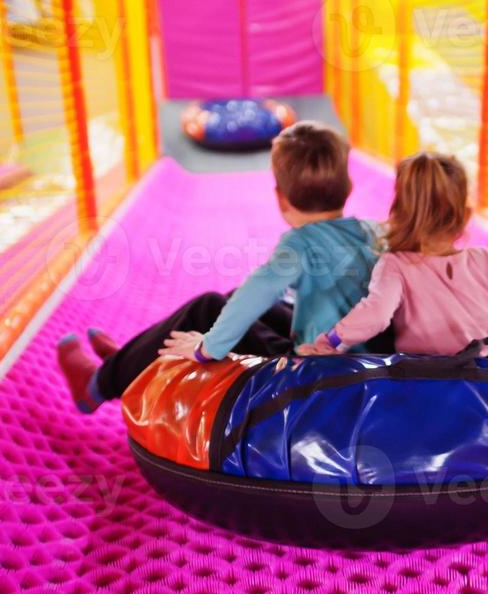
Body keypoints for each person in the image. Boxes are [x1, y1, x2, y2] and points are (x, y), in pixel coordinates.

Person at [56, 122, 380, 412]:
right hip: (351, 352)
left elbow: (257, 293)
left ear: (280, 198)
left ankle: (97, 384)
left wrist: (206, 348)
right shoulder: (371, 231)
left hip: (311, 370)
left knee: (210, 307)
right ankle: (130, 360)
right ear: (348, 188)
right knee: (237, 298)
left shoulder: (297, 247)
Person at [298, 152, 488, 358]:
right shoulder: (486, 261)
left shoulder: (394, 264)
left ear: (398, 213)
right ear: (464, 216)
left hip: (423, 381)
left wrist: (328, 342)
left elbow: (374, 316)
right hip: (483, 375)